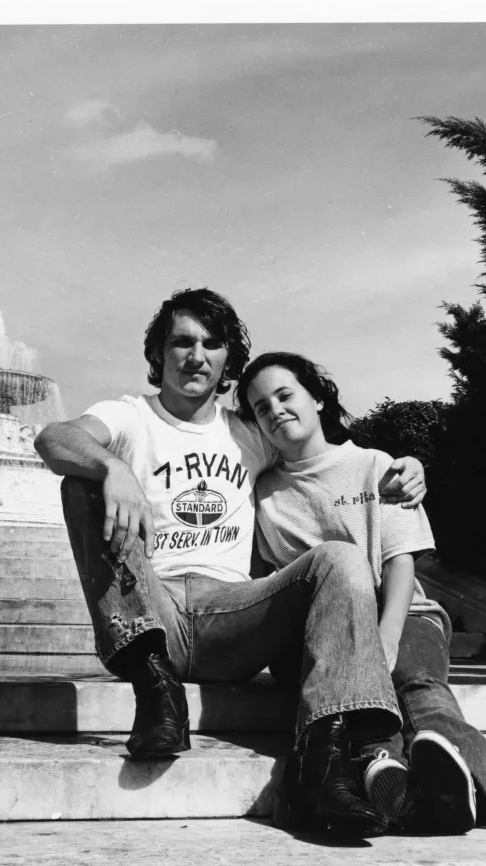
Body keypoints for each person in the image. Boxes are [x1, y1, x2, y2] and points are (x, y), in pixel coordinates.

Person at [35, 287, 427, 837]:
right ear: (158, 356)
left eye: (212, 344)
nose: (196, 355)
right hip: (154, 607)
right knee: (81, 483)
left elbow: (327, 452)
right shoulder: (127, 416)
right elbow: (54, 437)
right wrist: (111, 468)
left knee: (337, 559)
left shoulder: (249, 431)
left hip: (232, 615)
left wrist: (402, 466)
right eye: (182, 342)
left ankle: (323, 764)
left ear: (226, 363)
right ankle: (155, 688)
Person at [237, 351, 486, 834]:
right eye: (260, 407)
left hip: (405, 611)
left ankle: (470, 788)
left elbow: (399, 558)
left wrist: (387, 633)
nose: (274, 410)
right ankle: (388, 771)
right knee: (364, 705)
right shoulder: (262, 493)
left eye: (285, 395)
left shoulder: (375, 466)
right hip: (326, 627)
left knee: (420, 688)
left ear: (317, 398)